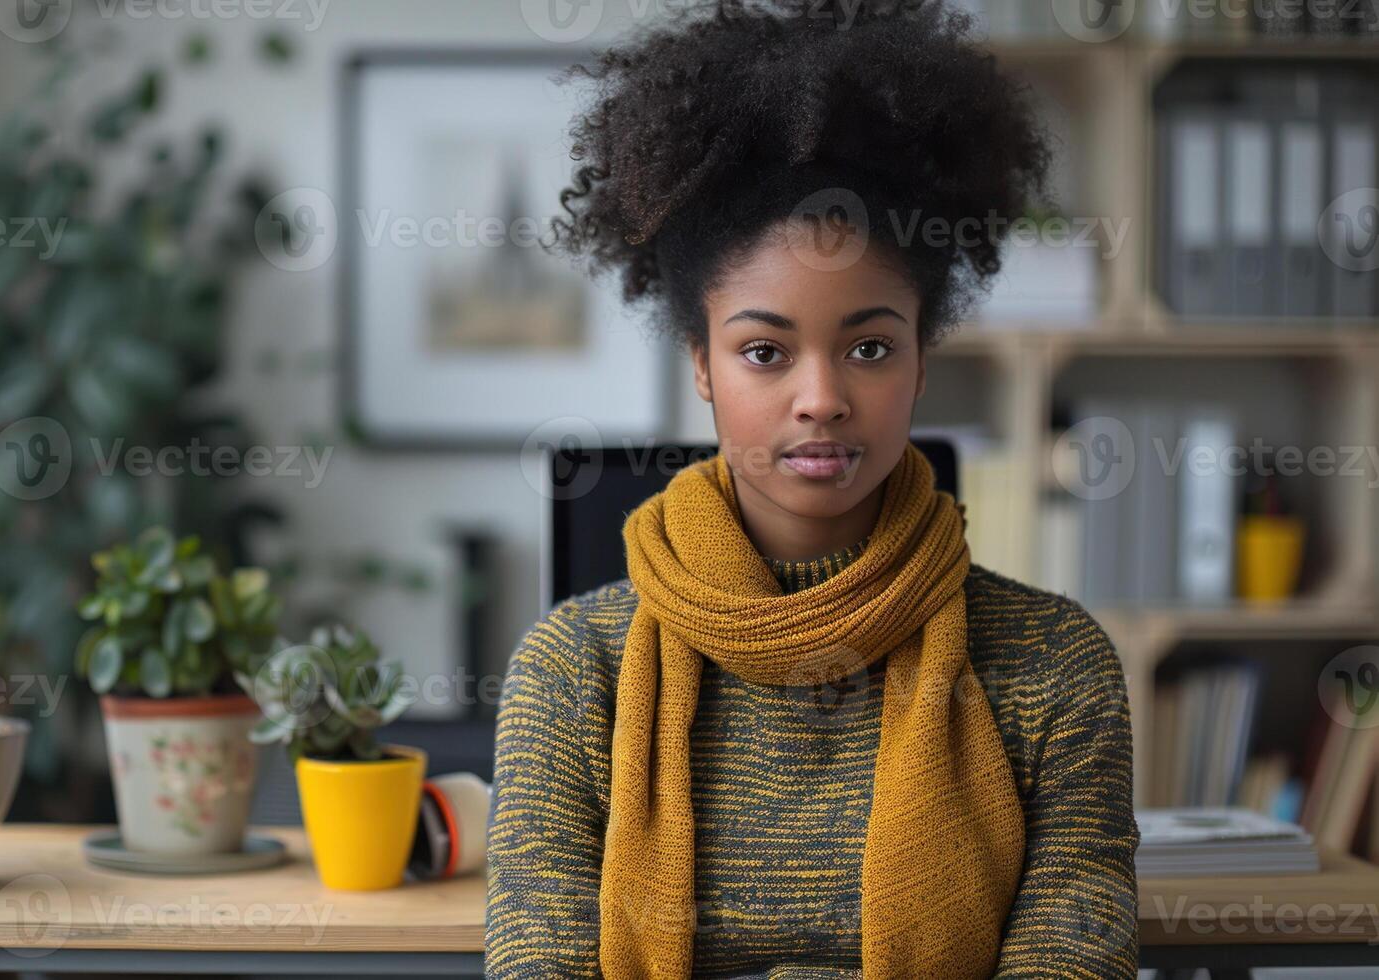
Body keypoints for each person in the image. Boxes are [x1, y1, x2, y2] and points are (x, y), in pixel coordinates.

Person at [484, 1, 1139, 977]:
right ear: (701, 361)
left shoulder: (1055, 665)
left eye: (870, 346)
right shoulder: (573, 670)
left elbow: (1075, 955)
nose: (823, 398)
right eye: (764, 351)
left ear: (922, 359)